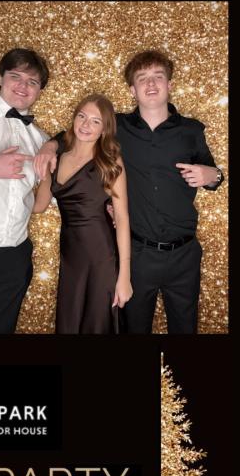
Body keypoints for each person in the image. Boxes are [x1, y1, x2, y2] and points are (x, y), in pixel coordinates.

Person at [35, 50, 223, 333]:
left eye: (158, 76)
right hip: (137, 254)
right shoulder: (118, 127)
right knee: (133, 330)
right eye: (142, 78)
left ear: (169, 84)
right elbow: (77, 134)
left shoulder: (191, 130)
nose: (151, 83)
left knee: (186, 330)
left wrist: (213, 175)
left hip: (184, 254)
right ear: (133, 90)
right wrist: (50, 145)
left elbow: (214, 175)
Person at [33, 94, 131, 334]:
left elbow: (122, 218)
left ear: (105, 129)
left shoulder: (110, 162)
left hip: (102, 255)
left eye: (96, 121)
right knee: (71, 320)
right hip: (71, 255)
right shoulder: (57, 158)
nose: (86, 125)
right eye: (82, 116)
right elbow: (39, 205)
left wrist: (124, 277)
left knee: (98, 323)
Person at [0, 48, 50, 334]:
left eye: (32, 81)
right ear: (0, 78)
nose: (23, 86)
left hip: (16, 253)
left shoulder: (40, 138)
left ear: (39, 90)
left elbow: (39, 201)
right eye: (15, 76)